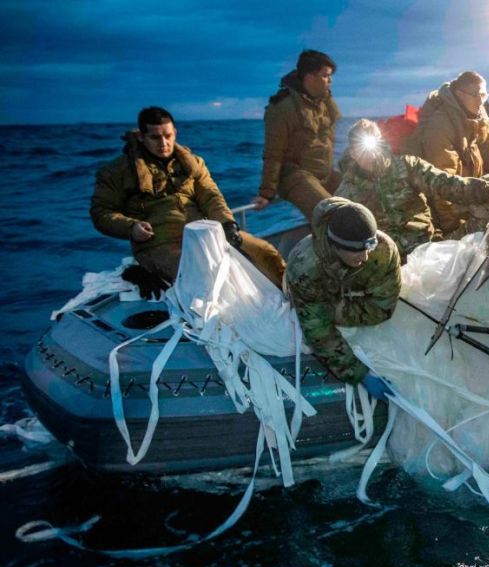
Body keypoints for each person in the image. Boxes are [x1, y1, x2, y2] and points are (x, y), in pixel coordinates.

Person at [90, 107, 286, 287]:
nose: (163, 143)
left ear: (175, 133)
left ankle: (296, 301)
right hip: (158, 243)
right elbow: (101, 212)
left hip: (204, 233)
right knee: (202, 274)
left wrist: (227, 225)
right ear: (141, 137)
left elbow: (211, 196)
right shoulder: (116, 171)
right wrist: (131, 228)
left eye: (167, 136)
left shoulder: (194, 163)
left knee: (266, 252)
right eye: (155, 137)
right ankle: (148, 271)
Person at [336, 119, 489, 258]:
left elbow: (445, 183)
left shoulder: (407, 166)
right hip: (387, 264)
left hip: (428, 249)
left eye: (373, 148)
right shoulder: (347, 192)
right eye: (361, 149)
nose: (371, 156)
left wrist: (486, 190)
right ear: (352, 153)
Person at [285, 197, 401, 399]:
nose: (365, 257)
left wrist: (338, 308)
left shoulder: (383, 250)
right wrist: (359, 374)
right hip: (313, 295)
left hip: (337, 299)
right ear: (336, 246)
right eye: (356, 251)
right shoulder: (304, 268)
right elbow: (319, 332)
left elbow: (383, 307)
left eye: (368, 248)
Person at [404, 71, 489, 236]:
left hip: (464, 194)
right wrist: (453, 231)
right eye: (475, 94)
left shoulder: (477, 118)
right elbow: (442, 186)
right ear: (459, 95)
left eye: (483, 94)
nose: (481, 100)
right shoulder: (439, 126)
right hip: (442, 211)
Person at [253, 50, 342, 220]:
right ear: (309, 77)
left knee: (362, 200)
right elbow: (273, 152)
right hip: (296, 176)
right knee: (331, 214)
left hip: (324, 174)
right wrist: (266, 192)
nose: (330, 81)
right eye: (325, 76)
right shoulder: (283, 107)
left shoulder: (324, 103)